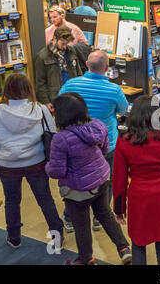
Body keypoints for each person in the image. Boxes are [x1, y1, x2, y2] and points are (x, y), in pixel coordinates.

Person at [45, 92, 132, 265]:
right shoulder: (97, 125)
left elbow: (57, 171)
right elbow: (105, 150)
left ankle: (86, 259)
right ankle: (124, 248)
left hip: (77, 190)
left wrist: (46, 166)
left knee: (81, 225)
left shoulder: (61, 139)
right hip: (101, 179)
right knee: (105, 215)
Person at [0, 74, 63, 249]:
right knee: (45, 199)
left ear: (6, 90)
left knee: (11, 202)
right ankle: (57, 236)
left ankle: (14, 238)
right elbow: (52, 135)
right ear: (29, 89)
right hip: (37, 162)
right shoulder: (40, 110)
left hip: (8, 166)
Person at [112, 95, 160, 265]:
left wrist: (119, 208)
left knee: (139, 243)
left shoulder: (124, 141)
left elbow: (119, 179)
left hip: (140, 199)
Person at [59, 50, 128, 228]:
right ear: (106, 68)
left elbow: (59, 103)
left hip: (74, 143)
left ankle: (69, 219)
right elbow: (123, 109)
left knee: (73, 181)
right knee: (107, 179)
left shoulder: (71, 84)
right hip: (105, 143)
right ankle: (100, 218)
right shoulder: (114, 89)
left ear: (87, 65)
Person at [35, 26, 83, 111]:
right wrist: (46, 102)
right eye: (63, 43)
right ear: (54, 38)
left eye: (67, 43)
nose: (65, 47)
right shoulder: (42, 56)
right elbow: (40, 83)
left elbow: (78, 73)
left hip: (72, 96)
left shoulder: (71, 51)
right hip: (56, 99)